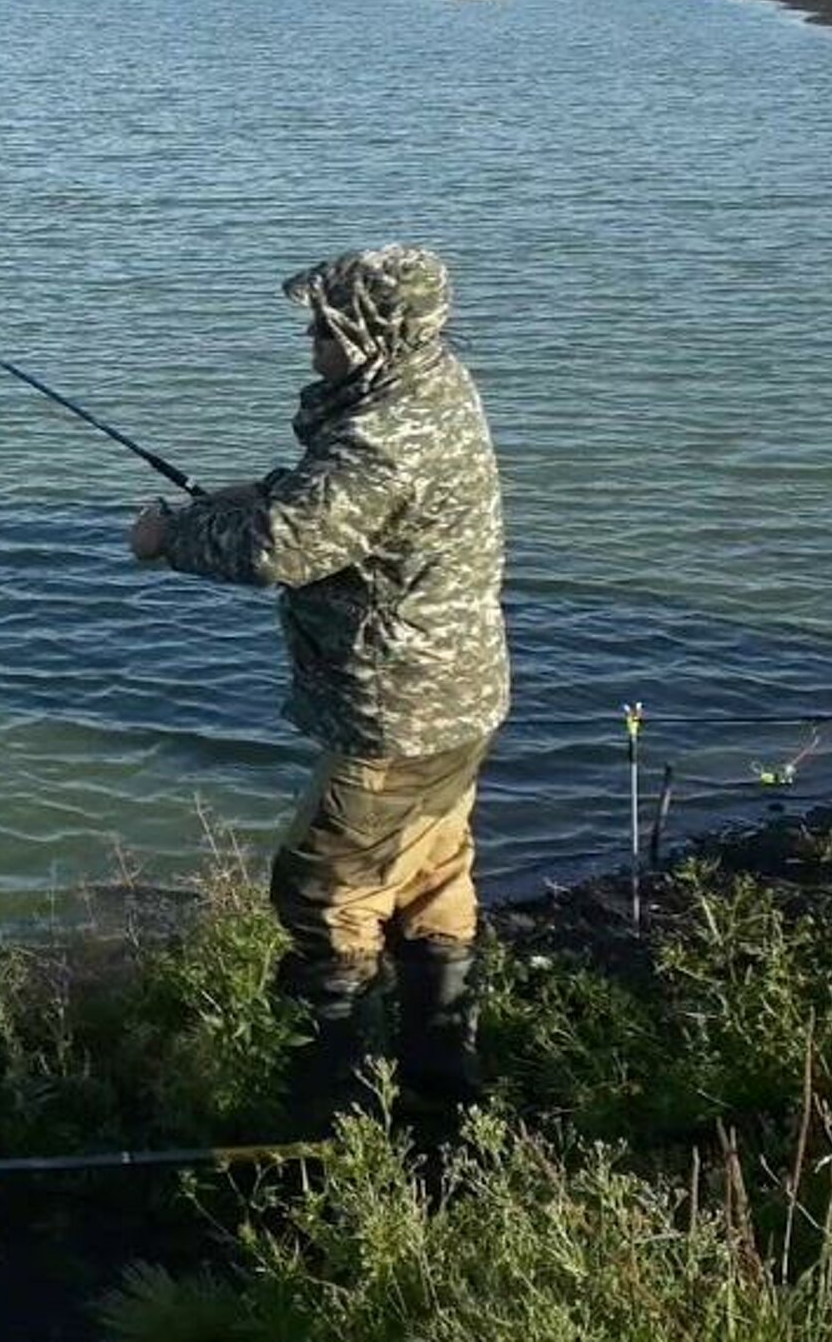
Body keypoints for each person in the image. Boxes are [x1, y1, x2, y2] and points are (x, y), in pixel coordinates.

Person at [129, 243, 509, 1112]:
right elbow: (329, 505)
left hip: (395, 717)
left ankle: (327, 1121)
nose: (311, 337)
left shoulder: (380, 437)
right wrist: (258, 489)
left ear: (371, 333)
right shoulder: (432, 385)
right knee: (429, 881)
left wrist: (166, 540)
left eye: (325, 325)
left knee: (320, 895)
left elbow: (283, 548)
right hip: (461, 698)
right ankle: (440, 1093)